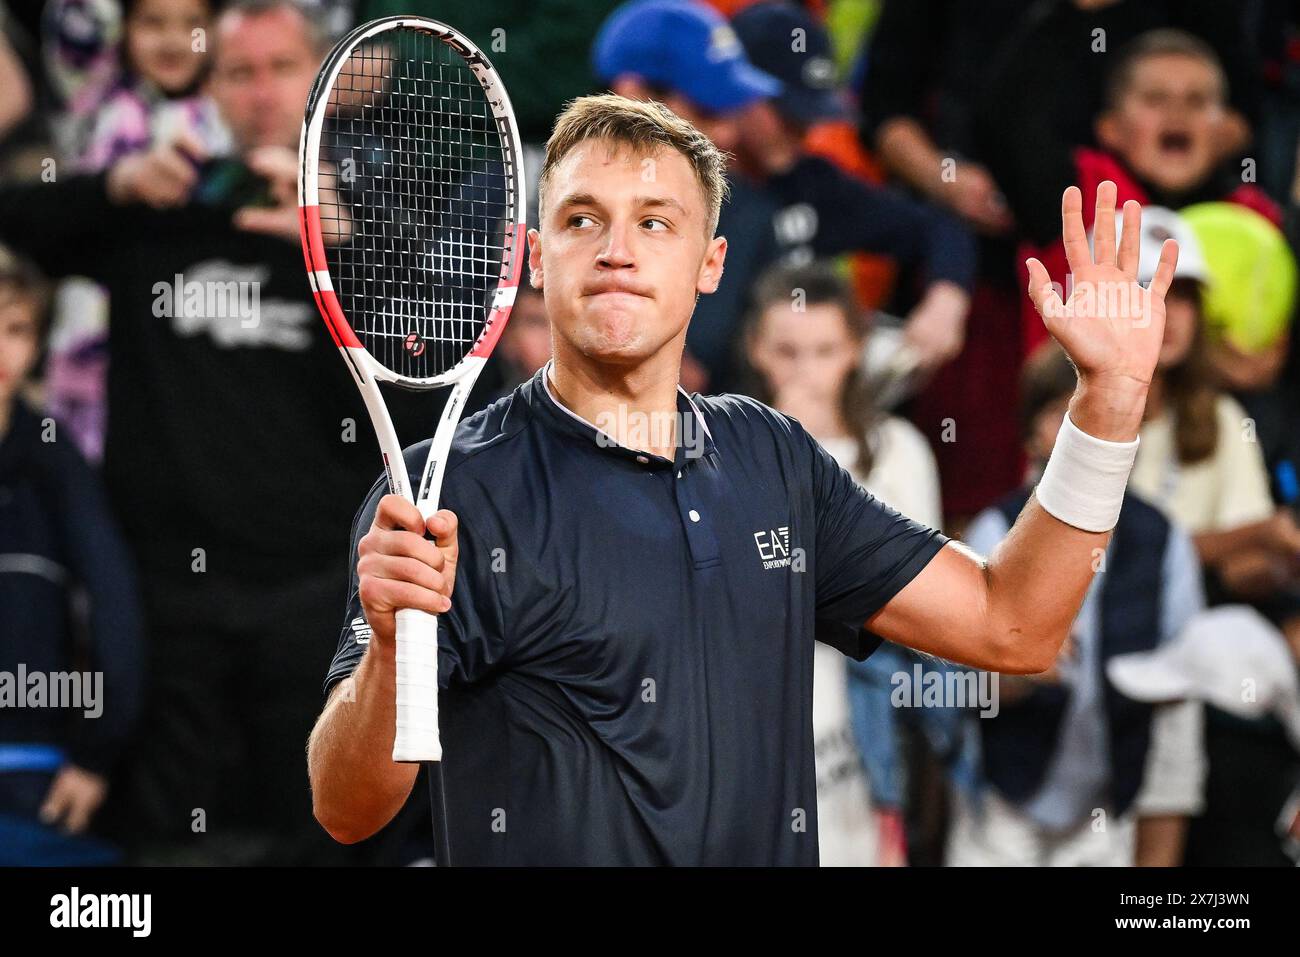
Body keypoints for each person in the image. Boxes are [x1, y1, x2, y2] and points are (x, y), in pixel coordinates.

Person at [308, 88, 1183, 865]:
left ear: (711, 266)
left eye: (655, 222)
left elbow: (1013, 627)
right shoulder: (444, 491)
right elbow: (345, 809)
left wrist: (1105, 407)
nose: (616, 249)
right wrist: (391, 648)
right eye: (582, 219)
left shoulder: (774, 456)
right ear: (536, 259)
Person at [0, 0, 428, 864]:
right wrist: (115, 186)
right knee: (164, 845)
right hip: (171, 598)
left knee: (320, 835)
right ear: (213, 88)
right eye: (239, 73)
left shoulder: (375, 223)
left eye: (279, 70)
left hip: (316, 596)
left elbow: (427, 412)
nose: (262, 93)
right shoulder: (160, 207)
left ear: (319, 81)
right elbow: (20, 222)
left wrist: (343, 248)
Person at [592, 0, 976, 393]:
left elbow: (936, 228)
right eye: (785, 113)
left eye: (809, 115)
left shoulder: (806, 185)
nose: (802, 131)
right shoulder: (601, 198)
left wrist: (946, 298)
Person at [952, 341, 1206, 866]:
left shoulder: (1161, 541)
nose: (1086, 425)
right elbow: (949, 687)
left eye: (1102, 406)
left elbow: (1180, 706)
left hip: (1107, 815)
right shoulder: (995, 529)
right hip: (1001, 810)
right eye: (1062, 409)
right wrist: (1011, 671)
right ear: (1031, 431)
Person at [743, 260, 943, 865]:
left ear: (856, 349)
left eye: (824, 350)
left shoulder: (898, 451)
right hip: (760, 704)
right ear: (755, 349)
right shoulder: (721, 450)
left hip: (871, 707)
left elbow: (927, 599)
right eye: (787, 351)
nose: (805, 370)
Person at [0, 246, 143, 865]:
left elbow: (116, 612)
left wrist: (94, 755)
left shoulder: (59, 466)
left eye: (15, 328)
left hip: (35, 776)